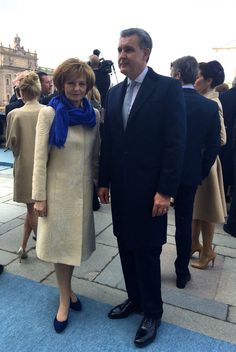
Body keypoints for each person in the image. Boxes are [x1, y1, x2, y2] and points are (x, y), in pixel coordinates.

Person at [98, 28, 186, 348]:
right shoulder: (114, 93)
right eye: (120, 49)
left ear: (146, 53)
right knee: (125, 245)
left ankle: (153, 311)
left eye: (129, 50)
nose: (122, 55)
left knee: (147, 251)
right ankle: (134, 299)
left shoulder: (167, 89)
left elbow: (175, 144)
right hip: (121, 189)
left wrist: (166, 190)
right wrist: (103, 180)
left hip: (151, 193)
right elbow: (110, 141)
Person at [32, 58, 100, 333]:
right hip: (57, 193)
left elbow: (96, 155)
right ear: (61, 84)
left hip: (82, 194)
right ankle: (64, 299)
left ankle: (69, 290)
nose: (76, 88)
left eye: (81, 83)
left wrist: (100, 185)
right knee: (61, 249)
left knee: (72, 250)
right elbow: (39, 159)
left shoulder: (93, 115)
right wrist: (39, 196)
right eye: (71, 83)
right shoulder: (49, 113)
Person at [170, 56, 220, 288]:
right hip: (190, 174)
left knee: (155, 220)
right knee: (184, 222)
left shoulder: (166, 101)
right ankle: (181, 272)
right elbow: (213, 147)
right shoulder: (208, 107)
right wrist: (199, 172)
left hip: (162, 172)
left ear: (178, 75)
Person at [191, 61, 227, 269]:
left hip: (207, 162)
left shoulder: (213, 102)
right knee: (199, 208)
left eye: (198, 76)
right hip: (202, 160)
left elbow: (222, 137)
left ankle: (207, 251)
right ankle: (195, 244)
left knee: (207, 210)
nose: (195, 79)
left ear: (209, 80)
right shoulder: (206, 99)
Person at [6, 71, 44, 262]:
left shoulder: (15, 114)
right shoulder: (48, 111)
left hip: (24, 165)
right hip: (44, 165)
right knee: (32, 210)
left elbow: (12, 142)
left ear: (21, 91)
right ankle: (23, 246)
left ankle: (40, 246)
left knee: (31, 209)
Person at [221, 84, 236, 237]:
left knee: (223, 179)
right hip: (229, 142)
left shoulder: (223, 98)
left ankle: (220, 209)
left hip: (225, 147)